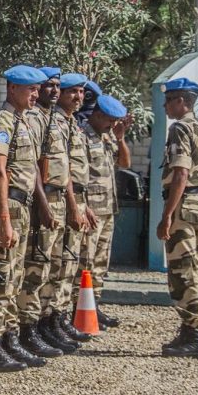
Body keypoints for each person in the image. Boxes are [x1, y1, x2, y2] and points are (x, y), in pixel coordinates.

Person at [0, 65, 47, 373]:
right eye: (30, 89)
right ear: (13, 89)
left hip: (23, 207)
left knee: (15, 276)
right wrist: (3, 217)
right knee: (1, 275)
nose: (36, 95)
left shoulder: (24, 122)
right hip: (9, 206)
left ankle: (8, 337)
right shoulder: (3, 121)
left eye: (37, 90)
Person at [157, 77, 198, 358]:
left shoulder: (180, 129)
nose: (166, 105)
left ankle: (195, 335)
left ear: (182, 101)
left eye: (169, 100)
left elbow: (180, 173)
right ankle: (188, 329)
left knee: (183, 271)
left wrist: (167, 215)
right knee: (195, 269)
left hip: (183, 205)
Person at [18, 66, 73, 356]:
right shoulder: (33, 119)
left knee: (53, 266)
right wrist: (43, 206)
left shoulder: (53, 119)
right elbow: (35, 169)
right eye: (46, 86)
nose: (52, 91)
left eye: (55, 86)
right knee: (35, 268)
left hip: (57, 199)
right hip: (44, 201)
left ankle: (47, 321)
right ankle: (28, 328)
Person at [41, 73, 94, 347]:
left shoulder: (72, 123)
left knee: (68, 264)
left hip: (74, 201)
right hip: (60, 200)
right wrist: (74, 206)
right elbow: (64, 174)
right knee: (54, 264)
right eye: (72, 91)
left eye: (81, 92)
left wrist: (85, 206)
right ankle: (46, 321)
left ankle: (58, 318)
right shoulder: (55, 122)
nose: (78, 97)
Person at [72, 95, 132, 328]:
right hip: (92, 211)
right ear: (98, 115)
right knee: (85, 262)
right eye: (110, 120)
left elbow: (124, 163)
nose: (112, 125)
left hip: (108, 209)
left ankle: (94, 306)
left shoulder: (108, 137)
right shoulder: (82, 136)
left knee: (100, 264)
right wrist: (82, 206)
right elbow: (76, 176)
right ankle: (77, 311)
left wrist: (121, 138)